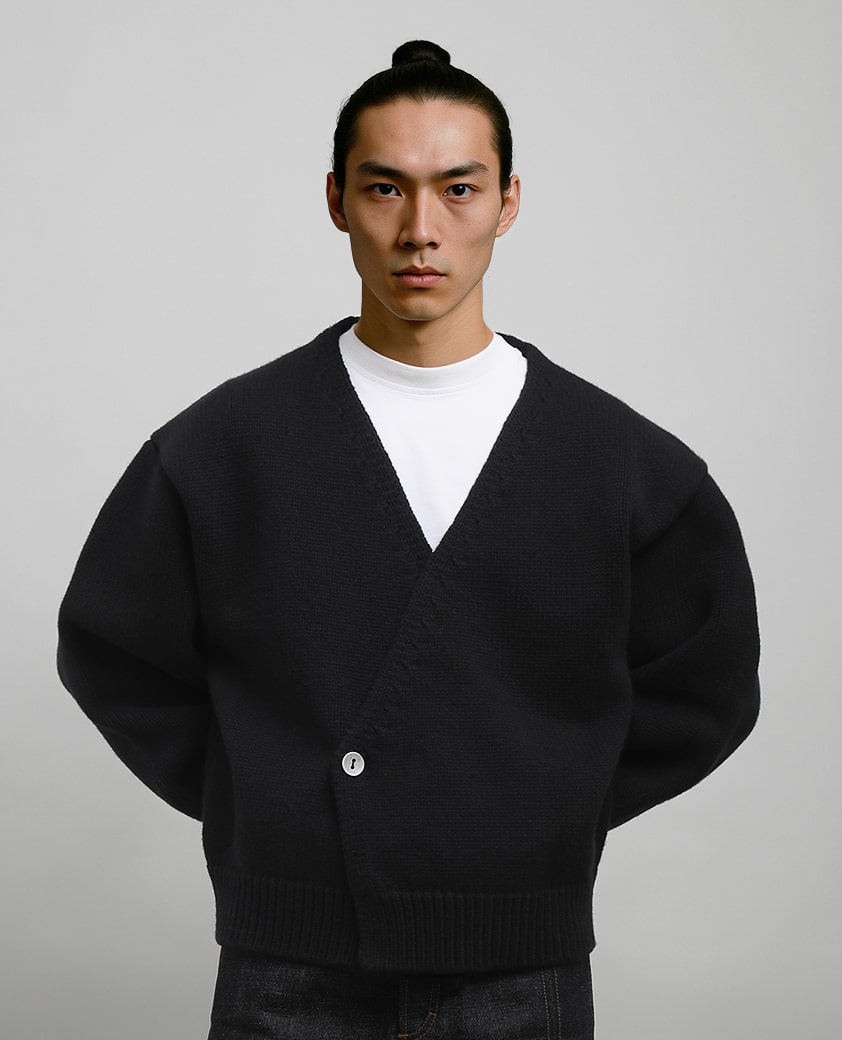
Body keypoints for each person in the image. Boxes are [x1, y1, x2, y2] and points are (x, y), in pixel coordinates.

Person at [57, 40, 761, 1040]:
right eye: (385, 188)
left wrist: (540, 805)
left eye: (458, 189)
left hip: (520, 970)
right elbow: (114, 651)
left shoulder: (625, 464)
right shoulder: (220, 448)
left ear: (508, 203)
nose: (420, 229)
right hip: (285, 967)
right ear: (337, 200)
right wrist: (269, 801)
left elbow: (709, 685)